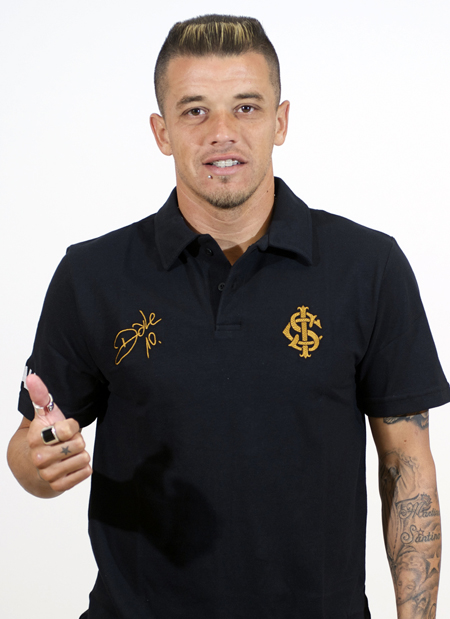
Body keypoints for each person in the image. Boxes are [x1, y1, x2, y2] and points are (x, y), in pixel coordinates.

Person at [7, 14, 449, 619]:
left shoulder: (368, 267)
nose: (222, 133)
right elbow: (30, 445)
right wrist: (35, 463)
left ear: (280, 121)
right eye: (195, 111)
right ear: (162, 132)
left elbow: (408, 466)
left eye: (246, 107)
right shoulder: (92, 275)